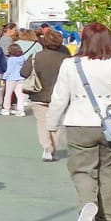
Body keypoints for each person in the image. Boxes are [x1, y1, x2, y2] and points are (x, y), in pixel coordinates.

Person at [48, 24, 111, 221]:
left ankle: (87, 203)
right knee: (110, 172)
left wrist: (52, 123)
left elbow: (59, 97)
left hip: (79, 122)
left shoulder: (70, 64)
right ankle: (106, 219)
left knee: (82, 169)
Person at [26, 26, 71, 161]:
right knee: (56, 121)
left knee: (42, 122)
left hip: (39, 93)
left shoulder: (36, 57)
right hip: (61, 94)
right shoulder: (67, 58)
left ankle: (46, 146)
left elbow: (24, 72)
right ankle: (53, 148)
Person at [0, 39, 29, 114]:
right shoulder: (23, 58)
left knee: (8, 94)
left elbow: (9, 70)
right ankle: (20, 110)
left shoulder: (11, 59)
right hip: (21, 78)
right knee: (20, 94)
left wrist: (4, 77)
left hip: (11, 78)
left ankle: (6, 108)